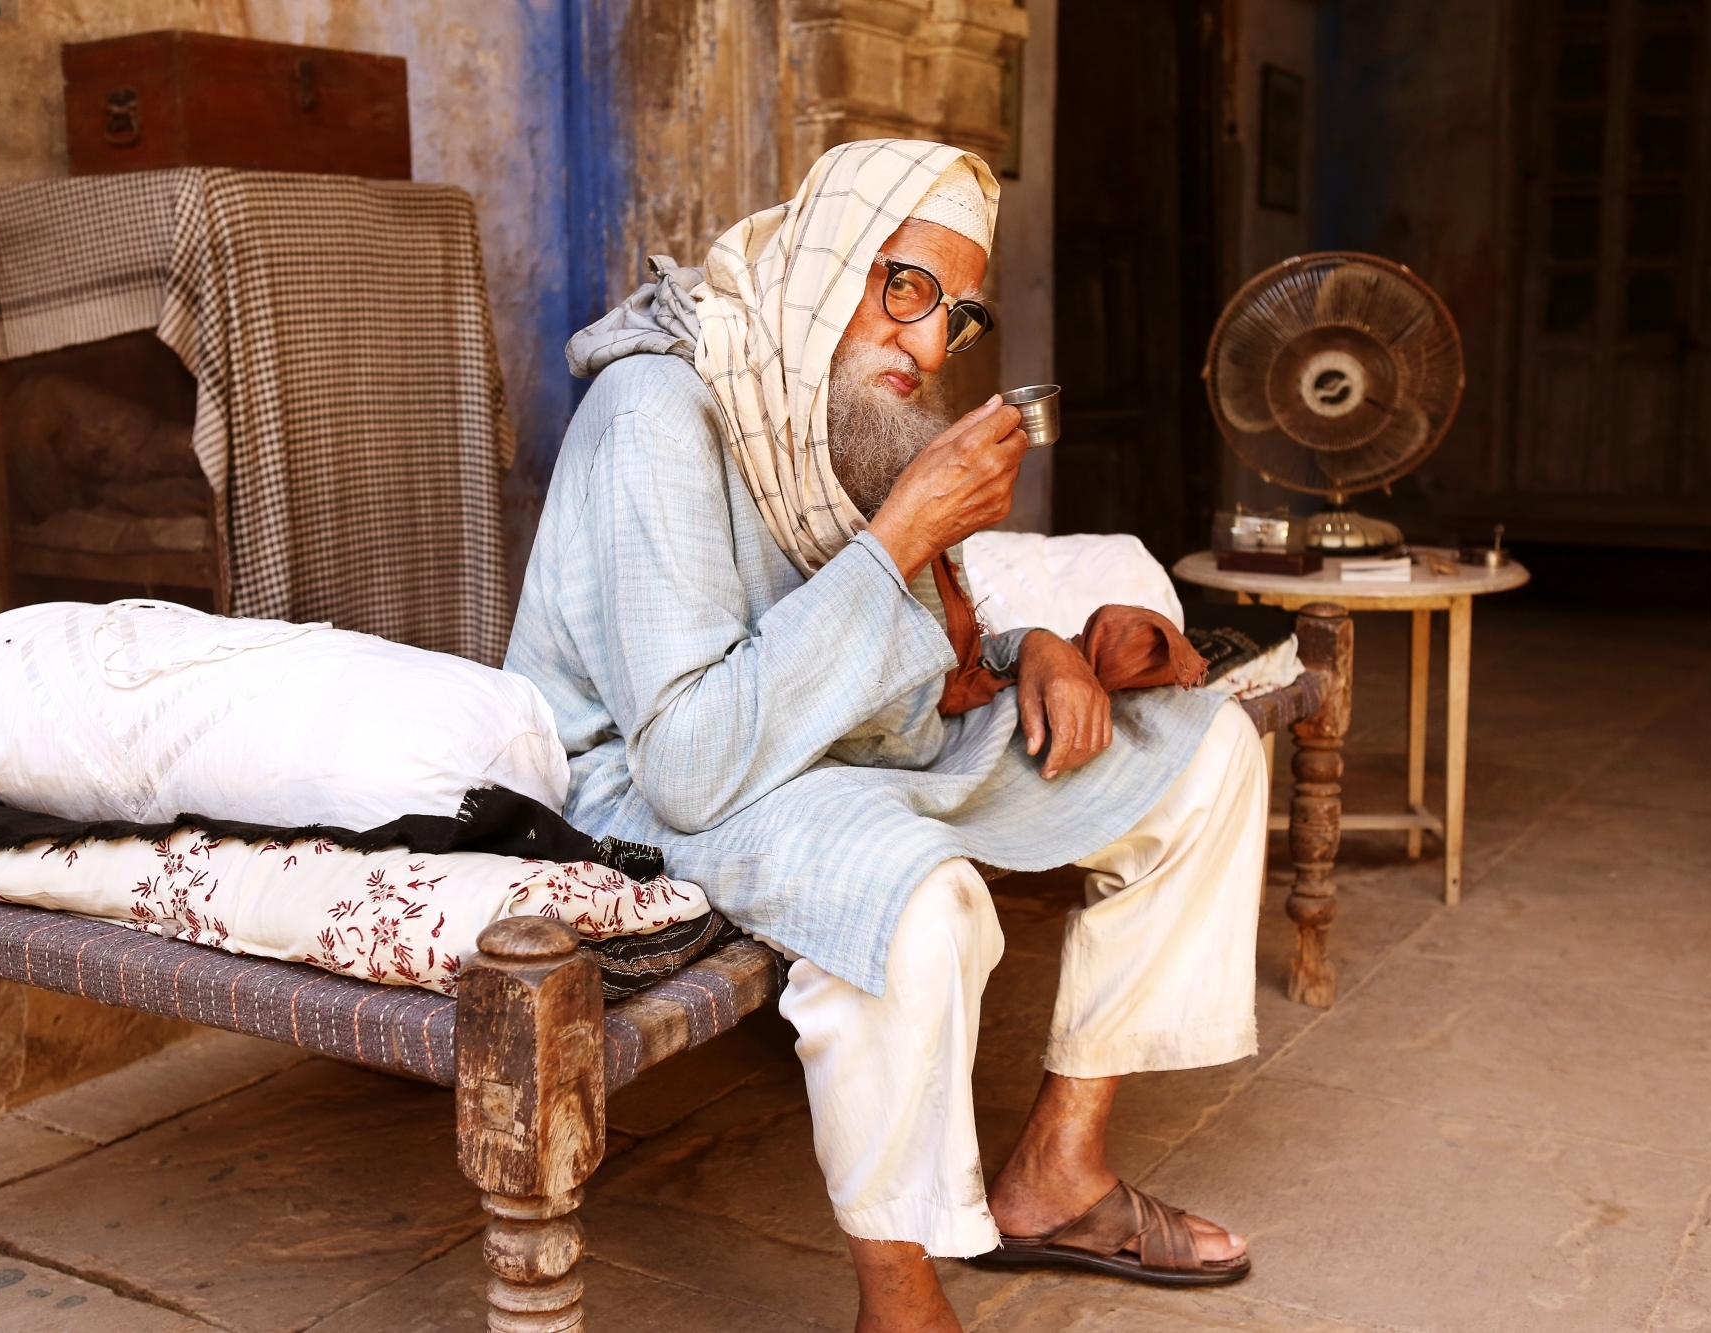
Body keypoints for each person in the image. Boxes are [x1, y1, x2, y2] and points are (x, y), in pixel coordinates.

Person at [507, 139, 1267, 1333]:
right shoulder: (657, 408)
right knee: (916, 898)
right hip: (635, 793)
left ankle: (1057, 1170)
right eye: (902, 287)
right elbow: (687, 760)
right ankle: (900, 1307)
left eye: (954, 316)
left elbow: (918, 669)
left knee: (1203, 749)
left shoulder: (836, 408)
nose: (924, 343)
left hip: (824, 746)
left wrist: (1041, 651)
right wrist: (903, 532)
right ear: (824, 264)